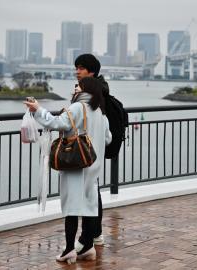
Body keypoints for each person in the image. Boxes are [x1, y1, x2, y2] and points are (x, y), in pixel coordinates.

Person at [24, 77, 111, 263]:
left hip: (76, 165)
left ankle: (70, 249)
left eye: (77, 85)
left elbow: (57, 123)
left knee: (71, 207)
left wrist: (37, 109)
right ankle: (88, 247)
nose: (74, 88)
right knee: (89, 206)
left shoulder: (78, 107)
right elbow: (108, 138)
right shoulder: (101, 113)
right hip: (93, 166)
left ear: (84, 89)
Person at [73, 54, 109, 251]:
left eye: (81, 68)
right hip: (93, 150)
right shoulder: (97, 89)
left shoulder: (95, 92)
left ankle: (86, 240)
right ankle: (95, 234)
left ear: (91, 72)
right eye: (76, 68)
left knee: (90, 194)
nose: (77, 71)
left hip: (89, 152)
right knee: (93, 192)